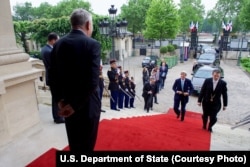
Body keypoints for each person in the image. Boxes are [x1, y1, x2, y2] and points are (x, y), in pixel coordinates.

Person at [48, 9, 101, 152]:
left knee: (74, 144)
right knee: (87, 147)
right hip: (87, 106)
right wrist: (74, 106)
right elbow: (92, 81)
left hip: (65, 104)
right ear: (88, 24)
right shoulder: (92, 44)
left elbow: (51, 77)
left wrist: (60, 102)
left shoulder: (58, 44)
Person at [41, 32, 65, 124]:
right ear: (53, 40)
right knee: (57, 99)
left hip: (51, 78)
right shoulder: (49, 51)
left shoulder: (44, 49)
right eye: (57, 40)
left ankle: (58, 116)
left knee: (56, 98)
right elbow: (54, 66)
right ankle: (58, 118)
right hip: (54, 79)